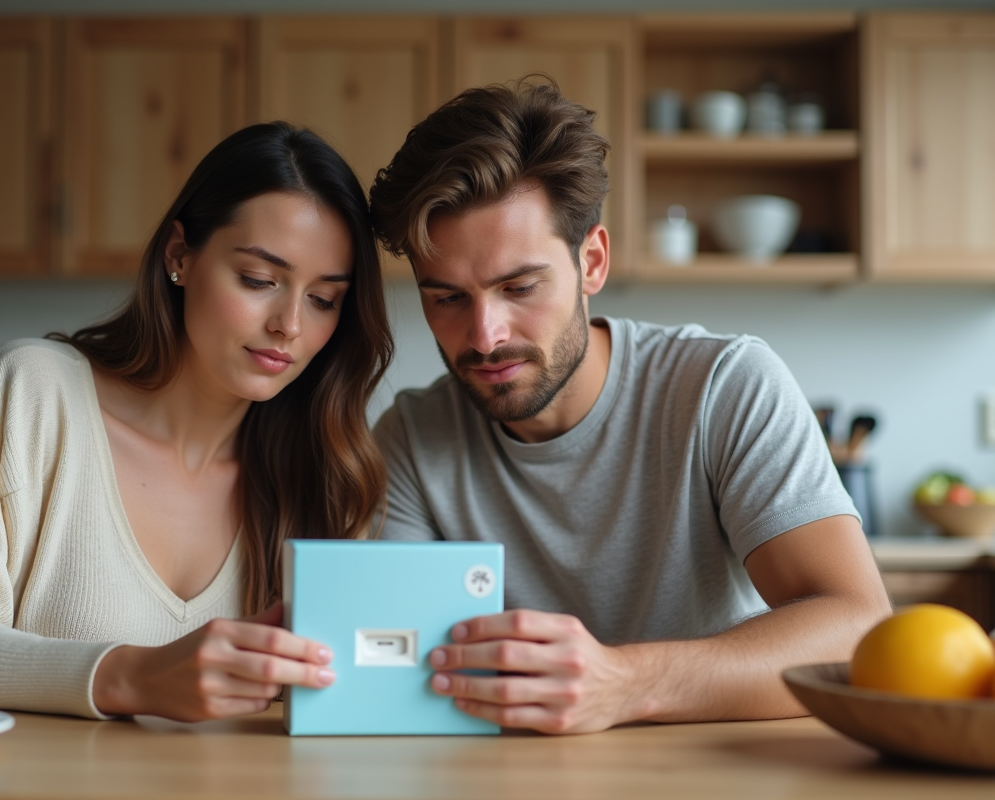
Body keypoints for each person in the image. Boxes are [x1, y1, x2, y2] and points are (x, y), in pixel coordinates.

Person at [367, 79, 891, 735]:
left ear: (592, 262)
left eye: (519, 286)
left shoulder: (722, 387)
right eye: (446, 298)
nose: (484, 335)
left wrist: (627, 684)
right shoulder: (414, 439)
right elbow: (389, 668)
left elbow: (858, 627)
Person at [0, 122, 393, 722]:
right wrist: (129, 677)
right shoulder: (35, 391)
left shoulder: (325, 470)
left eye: (323, 299)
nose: (290, 325)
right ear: (180, 256)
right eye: (259, 280)